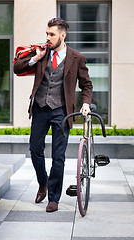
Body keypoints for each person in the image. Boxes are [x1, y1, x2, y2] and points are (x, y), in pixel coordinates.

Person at [14, 18, 93, 213]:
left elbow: (87, 85)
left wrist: (85, 104)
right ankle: (43, 182)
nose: (47, 38)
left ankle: (54, 198)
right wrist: (35, 58)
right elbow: (17, 68)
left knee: (58, 157)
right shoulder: (41, 51)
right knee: (35, 150)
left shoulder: (77, 57)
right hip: (40, 107)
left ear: (62, 35)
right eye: (46, 34)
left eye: (52, 34)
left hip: (62, 112)